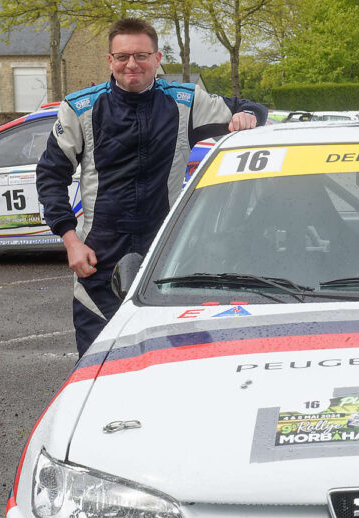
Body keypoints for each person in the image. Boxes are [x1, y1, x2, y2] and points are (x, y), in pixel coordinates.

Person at [37, 16, 267, 356]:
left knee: (172, 360)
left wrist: (246, 117)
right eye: (123, 56)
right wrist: (70, 241)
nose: (132, 64)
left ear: (157, 59)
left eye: (142, 56)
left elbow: (253, 109)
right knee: (97, 364)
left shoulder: (186, 102)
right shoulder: (80, 108)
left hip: (167, 253)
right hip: (99, 257)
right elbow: (50, 176)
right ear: (110, 61)